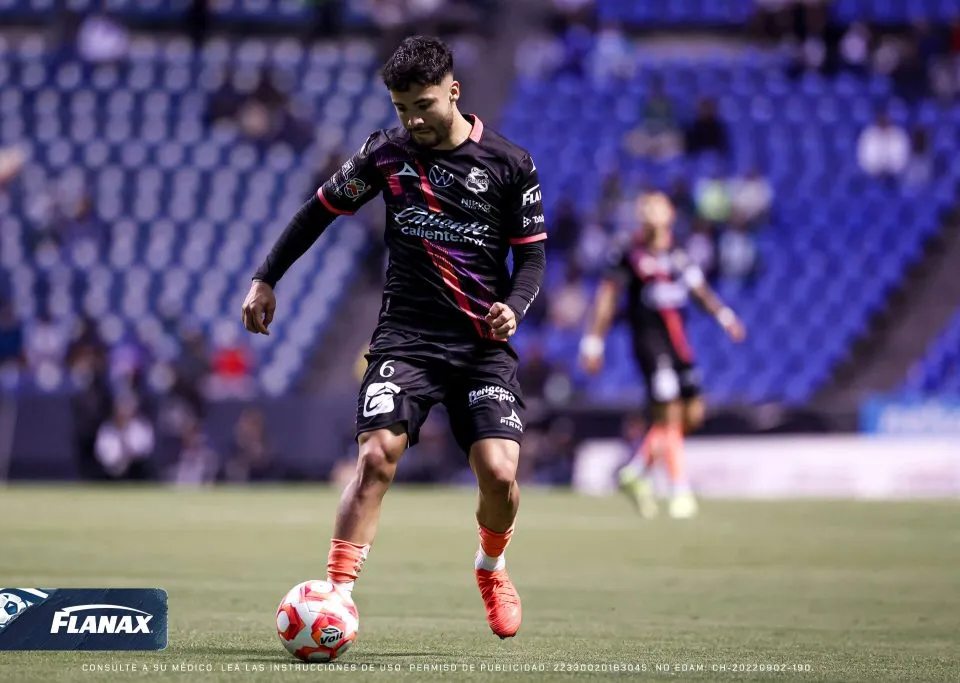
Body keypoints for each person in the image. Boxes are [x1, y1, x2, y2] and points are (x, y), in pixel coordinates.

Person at [240, 36, 546, 639]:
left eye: (424, 105)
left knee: (500, 472)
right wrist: (265, 277)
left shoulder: (510, 165)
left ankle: (491, 567)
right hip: (405, 338)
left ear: (454, 92)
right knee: (377, 454)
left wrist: (513, 306)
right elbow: (318, 210)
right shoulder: (386, 155)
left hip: (481, 347)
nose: (413, 119)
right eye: (401, 107)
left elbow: (532, 260)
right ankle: (336, 593)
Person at [579, 192, 744, 519]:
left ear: (670, 213)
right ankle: (680, 490)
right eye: (645, 206)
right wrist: (593, 342)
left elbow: (699, 291)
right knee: (668, 414)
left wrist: (725, 316)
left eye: (656, 206)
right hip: (650, 346)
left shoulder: (678, 254)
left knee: (692, 416)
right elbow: (607, 297)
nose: (649, 211)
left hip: (680, 346)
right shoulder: (627, 253)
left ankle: (637, 470)